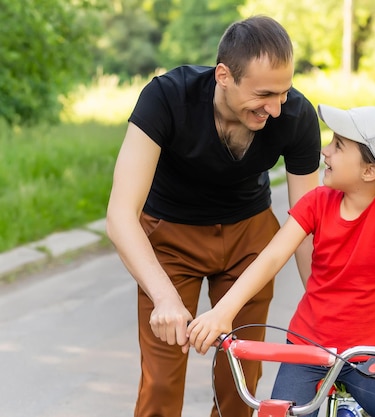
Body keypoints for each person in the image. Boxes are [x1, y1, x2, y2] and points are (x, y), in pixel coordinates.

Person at [105, 16, 321, 417]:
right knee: (161, 384)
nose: (275, 108)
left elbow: (306, 224)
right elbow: (120, 215)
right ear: (224, 75)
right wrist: (164, 297)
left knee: (240, 387)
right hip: (170, 242)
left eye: (284, 92)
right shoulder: (167, 98)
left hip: (249, 242)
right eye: (264, 94)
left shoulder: (295, 116)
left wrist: (320, 303)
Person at [187, 104, 375, 417]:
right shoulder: (317, 201)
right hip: (307, 349)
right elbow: (272, 257)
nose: (326, 152)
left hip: (369, 356)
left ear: (369, 171)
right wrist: (223, 312)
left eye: (339, 146)